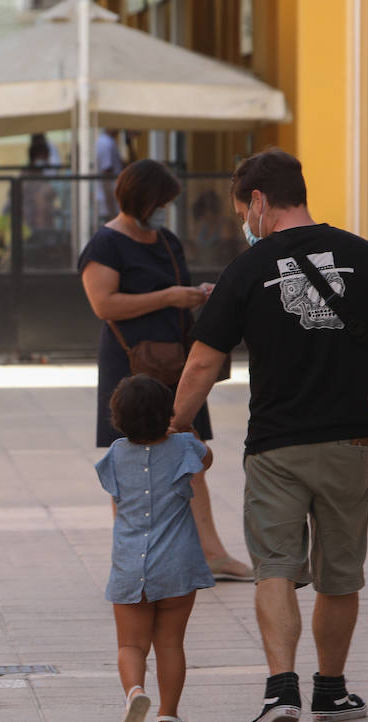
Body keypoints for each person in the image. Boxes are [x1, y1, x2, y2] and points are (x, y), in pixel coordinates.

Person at [171, 148, 368, 722]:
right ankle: (330, 692)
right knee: (339, 574)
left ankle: (281, 690)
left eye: (244, 210)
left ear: (258, 201)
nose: (245, 221)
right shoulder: (361, 255)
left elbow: (203, 363)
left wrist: (176, 426)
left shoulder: (246, 269)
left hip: (275, 448)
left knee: (275, 570)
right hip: (351, 443)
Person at [80, 158, 252, 582]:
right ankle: (132, 555)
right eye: (160, 202)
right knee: (130, 458)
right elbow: (104, 305)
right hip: (132, 365)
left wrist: (195, 296)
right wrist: (168, 296)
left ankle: (212, 554)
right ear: (139, 199)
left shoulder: (166, 240)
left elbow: (176, 292)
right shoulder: (105, 245)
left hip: (175, 359)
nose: (165, 211)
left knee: (186, 452)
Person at [96, 374, 214, 722]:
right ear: (168, 413)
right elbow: (206, 460)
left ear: (117, 418)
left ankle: (135, 692)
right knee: (170, 643)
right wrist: (186, 430)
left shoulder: (116, 453)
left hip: (130, 565)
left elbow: (114, 496)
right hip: (177, 564)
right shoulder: (183, 448)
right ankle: (168, 717)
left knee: (130, 645)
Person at [94, 128, 124, 221]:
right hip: (109, 201)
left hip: (110, 200)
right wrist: (111, 210)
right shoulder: (106, 143)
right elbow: (106, 175)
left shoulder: (107, 141)